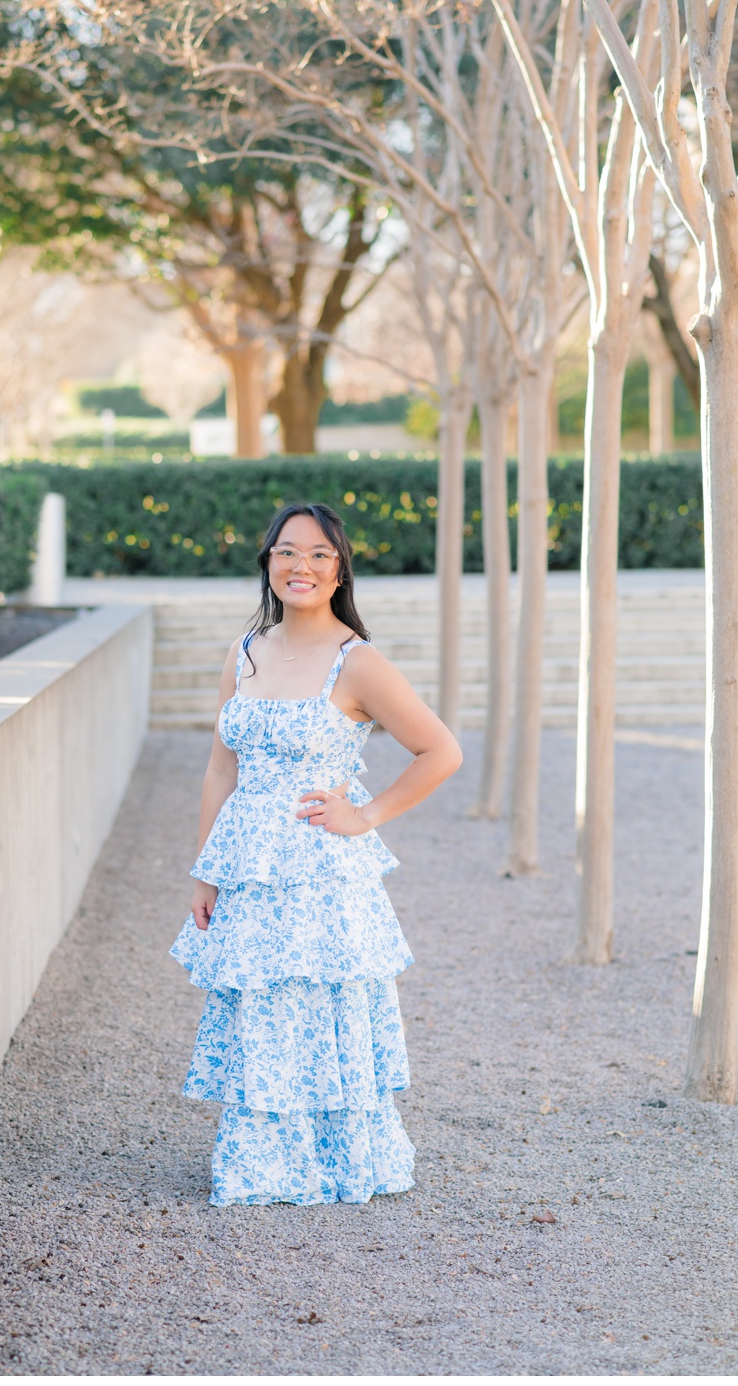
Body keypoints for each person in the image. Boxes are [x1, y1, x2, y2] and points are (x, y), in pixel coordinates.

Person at [172, 502, 462, 1206]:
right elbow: (221, 768)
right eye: (286, 552)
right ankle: (264, 1163)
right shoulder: (246, 651)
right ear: (268, 562)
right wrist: (207, 868)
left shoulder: (356, 662)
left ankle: (339, 1162)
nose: (300, 566)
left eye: (319, 555)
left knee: (323, 1008)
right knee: (261, 1009)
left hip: (322, 874)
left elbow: (441, 751)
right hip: (249, 869)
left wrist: (366, 815)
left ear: (339, 572)